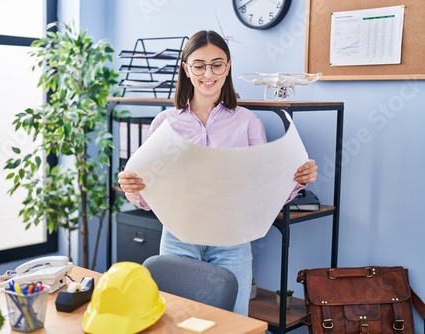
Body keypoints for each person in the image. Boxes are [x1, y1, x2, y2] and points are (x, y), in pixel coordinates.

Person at [118, 30, 318, 316]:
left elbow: (262, 190)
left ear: (228, 67)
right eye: (199, 65)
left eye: (217, 64)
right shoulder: (165, 122)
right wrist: (134, 187)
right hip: (178, 239)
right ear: (186, 69)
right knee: (176, 320)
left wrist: (297, 180)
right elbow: (150, 198)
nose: (208, 73)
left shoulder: (248, 122)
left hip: (232, 242)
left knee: (232, 323)